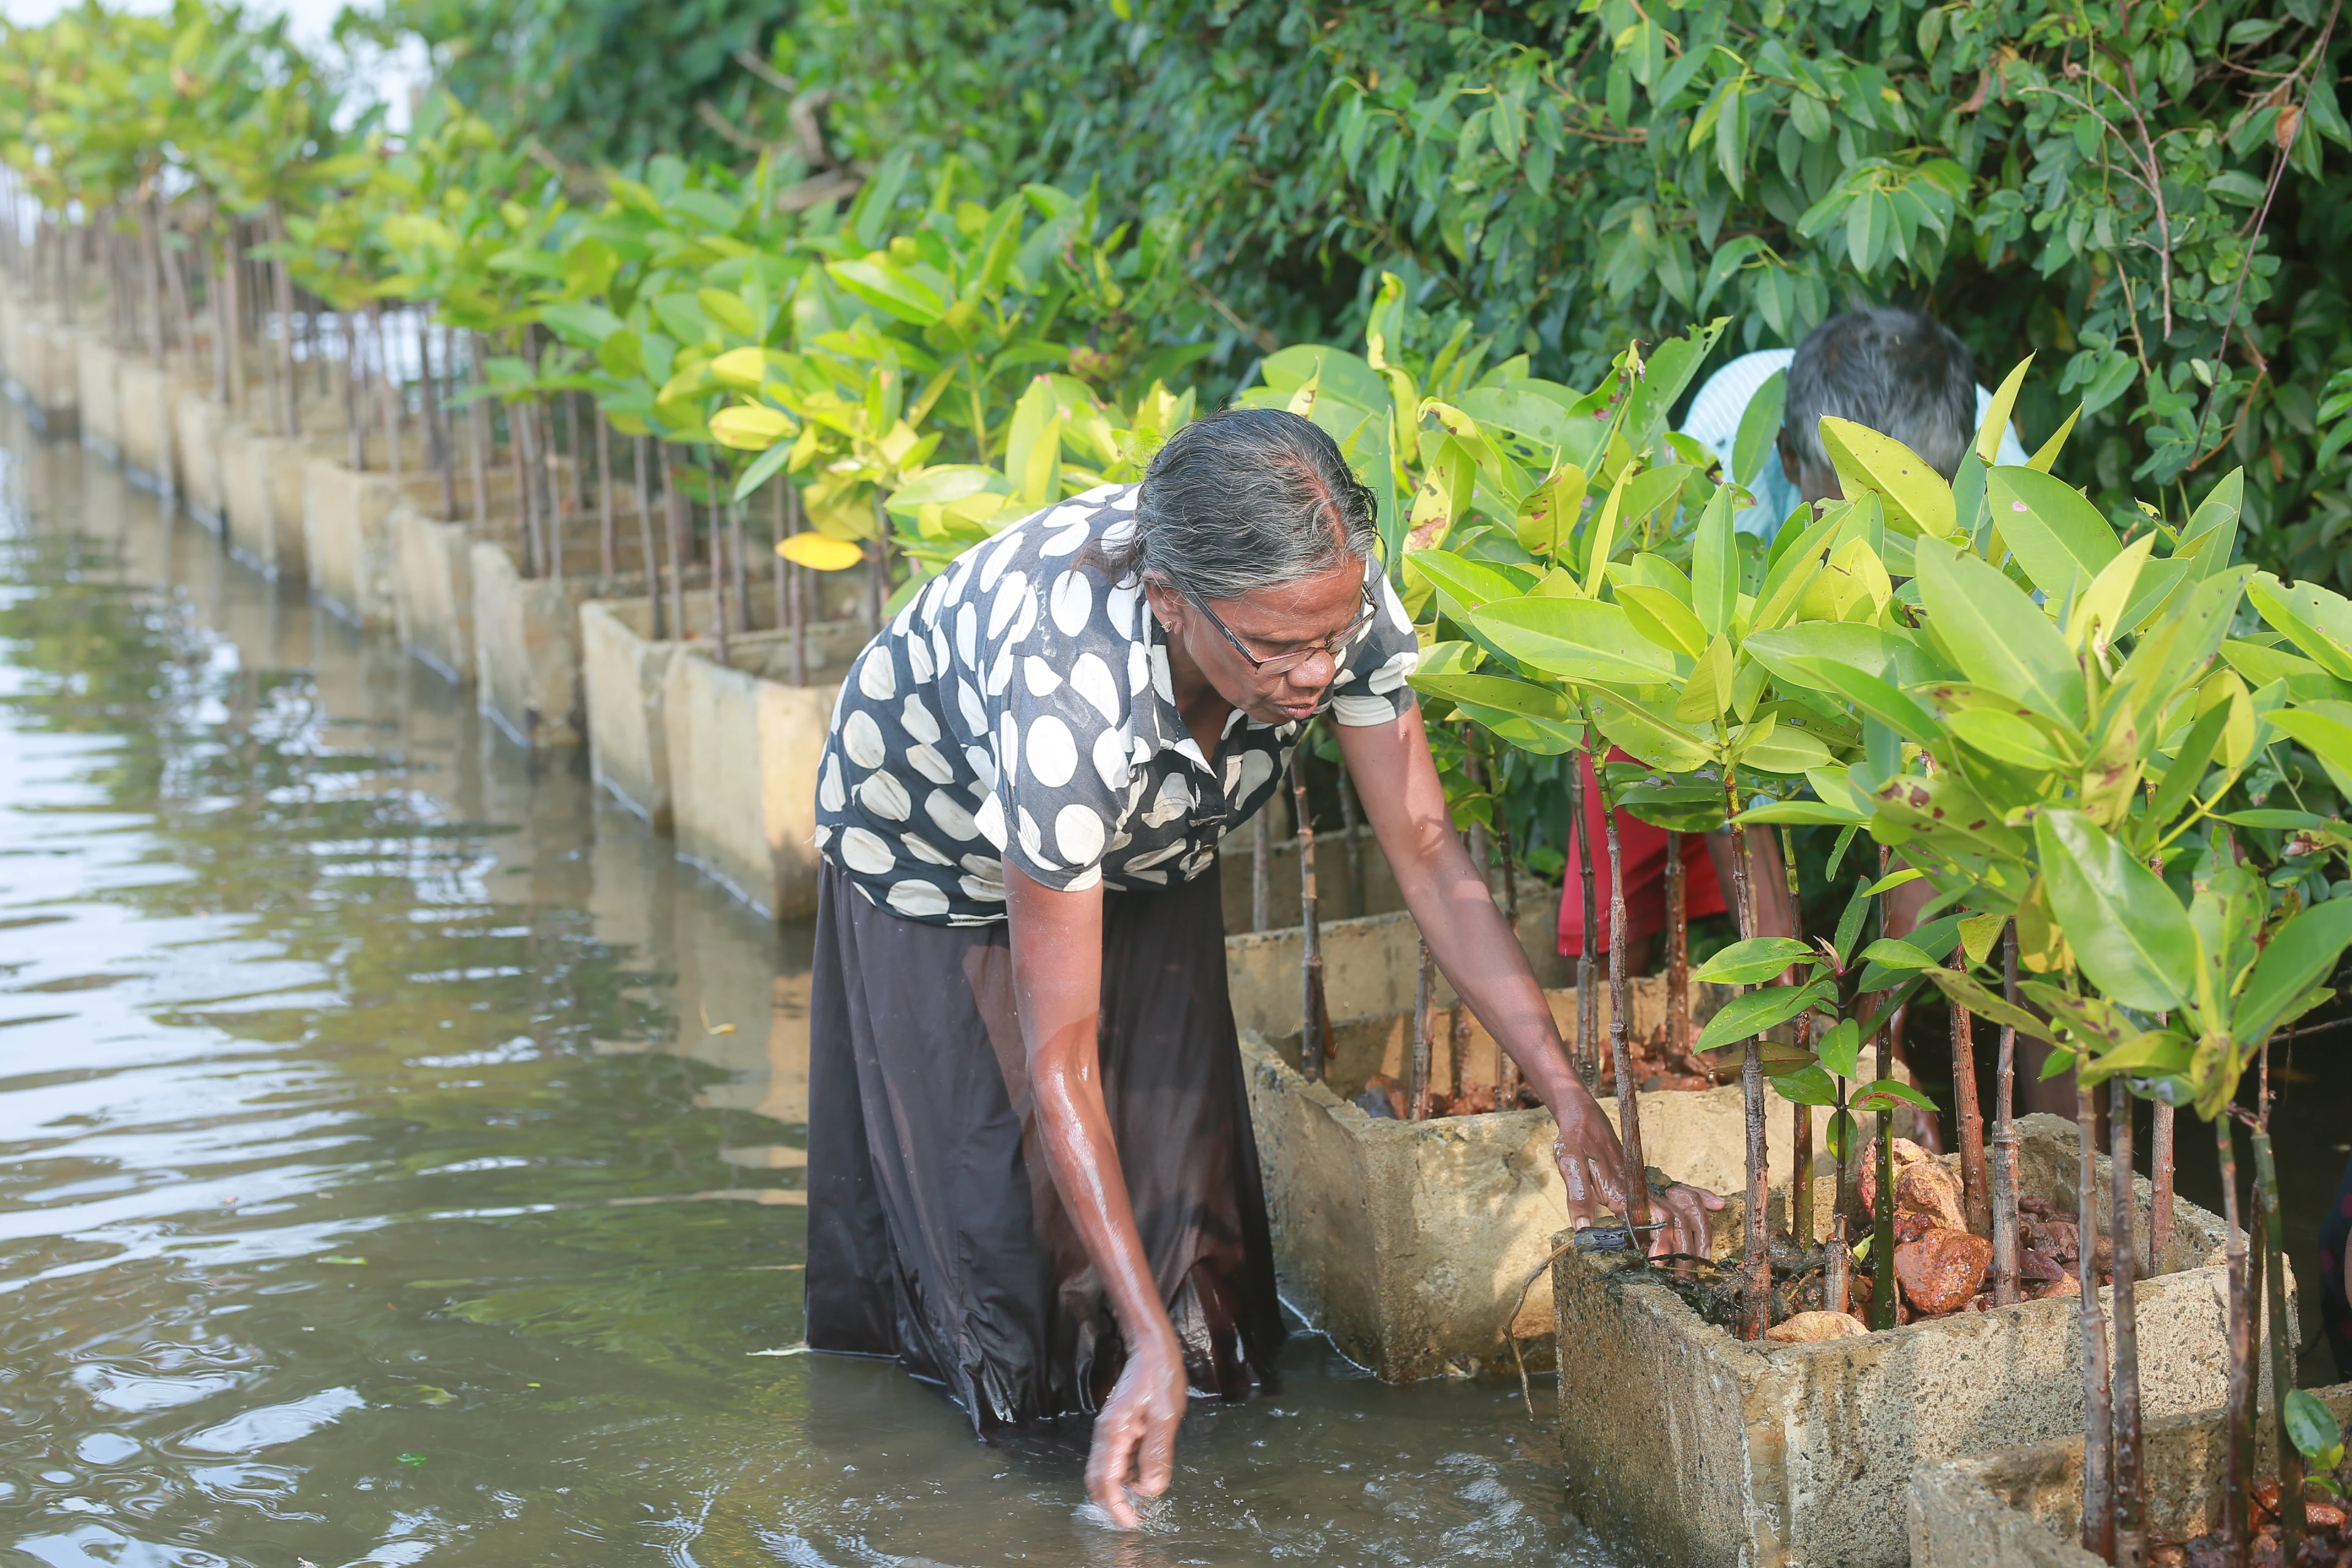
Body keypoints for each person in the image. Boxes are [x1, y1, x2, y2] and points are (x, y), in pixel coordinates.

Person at [802, 408, 1724, 1528]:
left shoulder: (1333, 598)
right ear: (1168, 602)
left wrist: (1572, 1102)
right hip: (939, 862)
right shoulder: (1067, 690)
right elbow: (1061, 1059)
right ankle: (1044, 1488)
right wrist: (1142, 1345)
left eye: (1331, 639)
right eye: (1279, 649)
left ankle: (1192, 1422)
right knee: (1007, 1245)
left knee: (1194, 1228)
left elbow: (1431, 859)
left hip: (1143, 839)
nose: (1315, 674)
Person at [1563, 308, 2027, 1128]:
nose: (1867, 555)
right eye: (1840, 518)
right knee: (1618, 847)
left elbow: (1938, 774)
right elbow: (1720, 743)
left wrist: (1877, 1039)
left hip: (1918, 678)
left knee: (2028, 905)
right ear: (1788, 464)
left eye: (1898, 522)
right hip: (1723, 674)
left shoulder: (2000, 482)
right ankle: (1593, 1084)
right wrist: (1793, 1008)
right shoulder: (1729, 454)